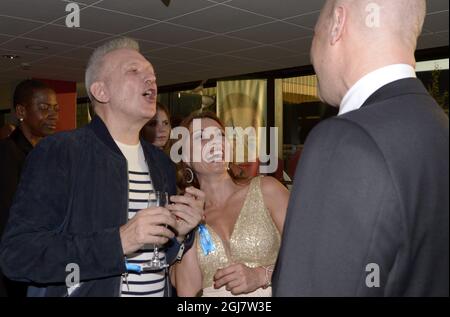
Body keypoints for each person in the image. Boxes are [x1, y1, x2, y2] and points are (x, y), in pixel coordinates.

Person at [0, 38, 204, 297]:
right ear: (101, 91)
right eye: (134, 71)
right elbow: (18, 255)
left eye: (152, 75)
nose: (150, 80)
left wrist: (179, 234)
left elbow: (157, 257)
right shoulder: (61, 152)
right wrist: (119, 242)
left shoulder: (160, 162)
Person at [273, 0, 449, 296]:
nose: (312, 54)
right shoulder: (438, 128)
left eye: (314, 34)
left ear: (337, 24)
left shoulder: (346, 141)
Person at [171, 112, 289, 297]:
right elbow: (189, 293)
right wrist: (185, 234)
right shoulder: (183, 214)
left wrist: (261, 275)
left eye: (220, 135)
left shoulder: (267, 190)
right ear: (185, 156)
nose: (215, 142)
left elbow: (309, 251)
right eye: (201, 137)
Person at [0, 80, 59, 297]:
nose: (53, 115)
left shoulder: (46, 153)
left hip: (42, 258)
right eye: (44, 108)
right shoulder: (8, 153)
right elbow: (8, 218)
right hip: (16, 264)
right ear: (21, 111)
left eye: (55, 109)